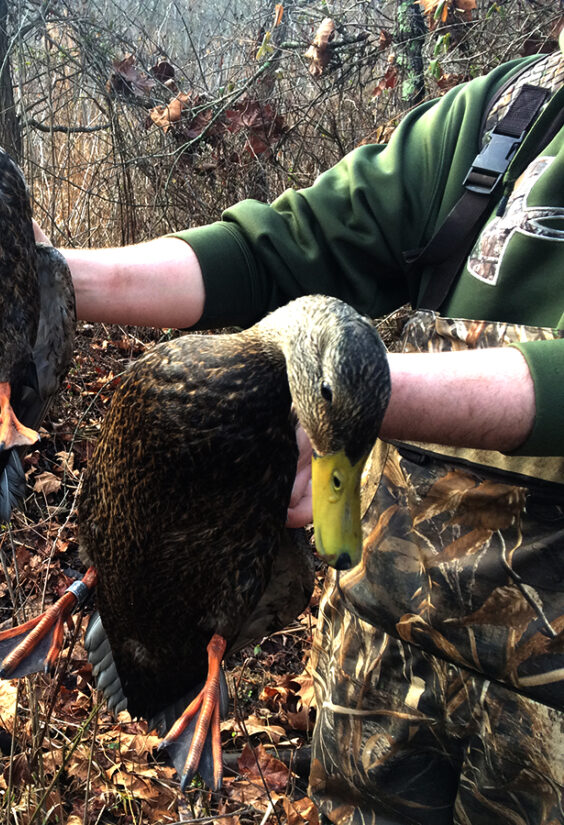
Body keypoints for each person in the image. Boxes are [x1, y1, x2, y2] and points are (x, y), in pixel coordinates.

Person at [42, 38, 564, 825]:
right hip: (385, 662)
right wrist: (48, 276)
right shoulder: (515, 111)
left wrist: (356, 398)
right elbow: (291, 245)